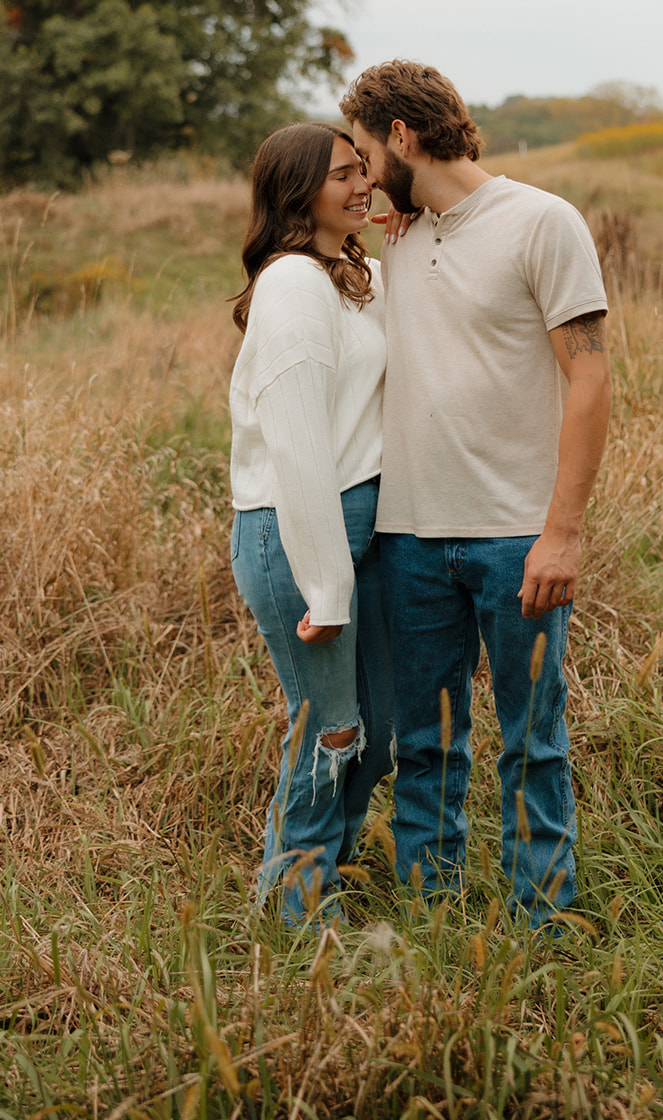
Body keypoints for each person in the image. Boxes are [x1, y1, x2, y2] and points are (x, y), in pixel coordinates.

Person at [339, 62, 611, 926]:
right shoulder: (395, 234)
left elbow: (591, 379)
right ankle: (432, 917)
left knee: (531, 741)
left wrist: (561, 532)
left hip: (512, 539)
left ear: (402, 138)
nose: (357, 170)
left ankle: (546, 922)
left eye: (361, 150)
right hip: (408, 538)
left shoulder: (541, 222)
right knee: (425, 747)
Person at [228, 122, 393, 924]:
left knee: (377, 730)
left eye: (363, 170)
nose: (363, 184)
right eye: (341, 176)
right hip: (295, 529)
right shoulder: (293, 283)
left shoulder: (344, 277)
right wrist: (326, 585)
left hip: (348, 520)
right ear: (298, 192)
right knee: (331, 728)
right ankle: (296, 912)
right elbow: (295, 444)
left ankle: (331, 865)